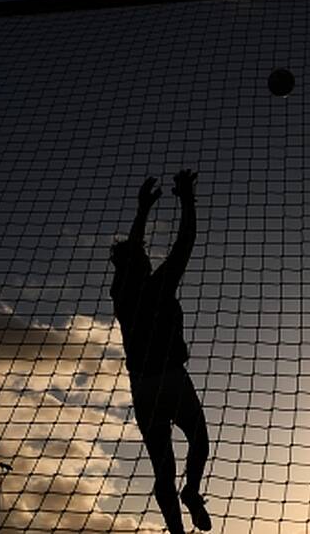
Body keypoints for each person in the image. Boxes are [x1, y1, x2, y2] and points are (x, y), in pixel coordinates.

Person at [110, 169, 211, 533]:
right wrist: (185, 199)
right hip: (170, 377)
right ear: (142, 263)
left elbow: (132, 251)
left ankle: (178, 531)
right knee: (198, 437)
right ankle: (193, 493)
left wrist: (142, 211)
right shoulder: (157, 286)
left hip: (142, 388)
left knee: (162, 469)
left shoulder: (122, 296)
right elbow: (185, 242)